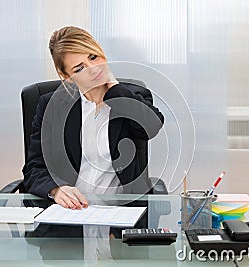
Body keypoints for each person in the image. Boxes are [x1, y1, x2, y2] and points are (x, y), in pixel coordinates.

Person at [22, 26, 164, 210]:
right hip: (70, 213)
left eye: (93, 57)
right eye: (79, 68)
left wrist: (114, 90)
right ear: (67, 76)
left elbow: (151, 126)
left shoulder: (132, 95)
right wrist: (56, 190)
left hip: (122, 215)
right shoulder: (51, 106)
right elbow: (34, 168)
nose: (93, 69)